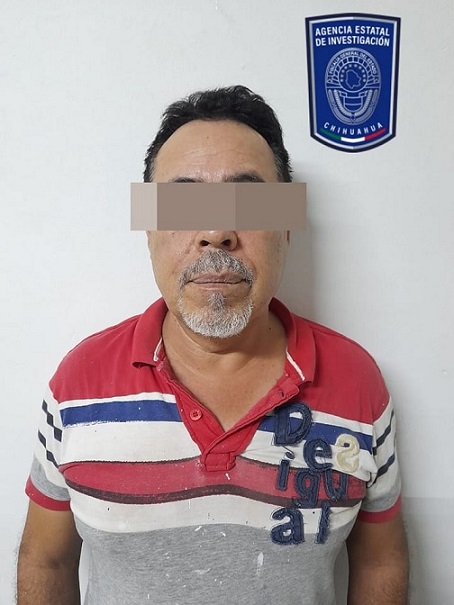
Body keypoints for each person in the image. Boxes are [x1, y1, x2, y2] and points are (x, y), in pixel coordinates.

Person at [16, 85, 409, 604]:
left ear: (287, 229)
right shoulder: (78, 385)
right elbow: (45, 559)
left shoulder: (356, 384)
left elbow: (380, 560)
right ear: (150, 230)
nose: (217, 231)